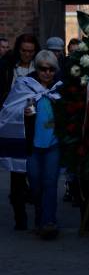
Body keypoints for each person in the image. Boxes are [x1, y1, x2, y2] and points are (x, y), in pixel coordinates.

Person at [0, 50, 62, 238]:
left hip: (53, 144)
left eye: (51, 69)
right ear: (37, 68)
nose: (47, 73)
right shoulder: (24, 85)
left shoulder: (60, 88)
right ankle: (40, 216)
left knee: (50, 183)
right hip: (33, 146)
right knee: (35, 184)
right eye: (43, 68)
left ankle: (48, 222)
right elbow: (8, 110)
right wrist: (23, 112)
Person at [0, 33, 39, 229]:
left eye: (31, 51)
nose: (27, 54)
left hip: (34, 123)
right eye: (24, 51)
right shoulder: (8, 67)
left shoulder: (38, 67)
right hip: (13, 123)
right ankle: (20, 218)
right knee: (16, 173)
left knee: (33, 169)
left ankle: (39, 213)